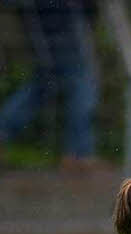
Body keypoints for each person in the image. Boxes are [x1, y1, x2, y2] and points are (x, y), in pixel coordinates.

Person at [0, 1, 99, 168]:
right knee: (80, 85)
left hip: (42, 21)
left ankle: (3, 130)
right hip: (63, 21)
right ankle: (79, 154)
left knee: (45, 84)